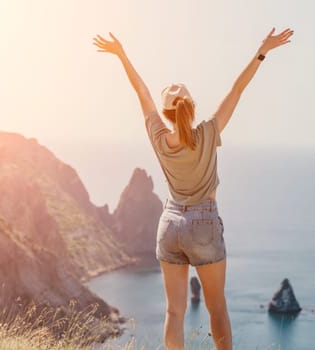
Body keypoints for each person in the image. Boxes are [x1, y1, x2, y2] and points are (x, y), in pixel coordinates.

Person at [93, 27, 293, 350]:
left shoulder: (159, 138)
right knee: (217, 308)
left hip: (169, 223)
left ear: (167, 112)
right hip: (204, 224)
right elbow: (237, 89)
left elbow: (141, 93)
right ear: (191, 106)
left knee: (174, 311)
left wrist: (122, 55)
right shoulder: (209, 132)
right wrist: (262, 51)